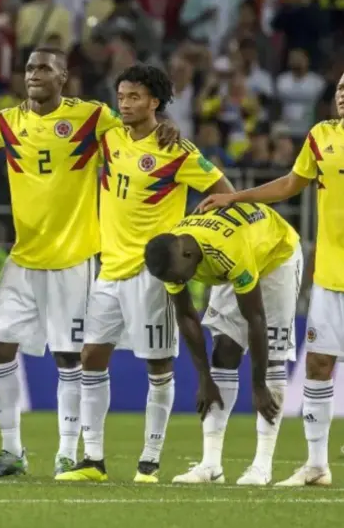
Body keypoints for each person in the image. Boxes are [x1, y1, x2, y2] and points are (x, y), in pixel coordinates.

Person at [0, 47, 180, 477]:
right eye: (29, 67)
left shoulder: (91, 117)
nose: (34, 74)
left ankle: (68, 452)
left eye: (44, 68)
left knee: (70, 358)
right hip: (25, 256)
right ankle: (13, 452)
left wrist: (168, 129)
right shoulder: (8, 122)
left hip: (73, 256)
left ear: (63, 76)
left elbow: (137, 129)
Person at [55, 64, 233, 484]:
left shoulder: (178, 151)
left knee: (158, 365)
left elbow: (224, 191)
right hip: (109, 269)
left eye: (134, 97)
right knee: (91, 358)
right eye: (122, 96)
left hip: (152, 275)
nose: (126, 104)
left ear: (155, 102)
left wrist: (191, 236)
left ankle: (149, 461)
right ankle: (93, 460)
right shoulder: (108, 137)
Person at [198, 73, 344, 487]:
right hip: (332, 276)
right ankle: (317, 465)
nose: (343, 96)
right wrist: (234, 197)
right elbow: (289, 185)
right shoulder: (321, 136)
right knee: (318, 365)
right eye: (339, 89)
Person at [143, 201, 302, 485]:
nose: (178, 282)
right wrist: (204, 378)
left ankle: (262, 465)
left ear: (189, 254)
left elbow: (255, 319)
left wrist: (258, 386)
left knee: (273, 359)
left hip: (276, 257)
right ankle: (210, 465)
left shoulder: (228, 251)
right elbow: (186, 316)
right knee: (225, 350)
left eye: (180, 276)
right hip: (231, 262)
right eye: (172, 280)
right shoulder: (173, 259)